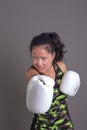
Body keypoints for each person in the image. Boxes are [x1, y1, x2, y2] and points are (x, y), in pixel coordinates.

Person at [25, 32, 74, 130]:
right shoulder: (32, 73)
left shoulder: (61, 67)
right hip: (42, 126)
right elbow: (35, 79)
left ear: (53, 55)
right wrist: (39, 82)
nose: (39, 63)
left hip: (65, 124)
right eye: (35, 58)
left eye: (44, 58)